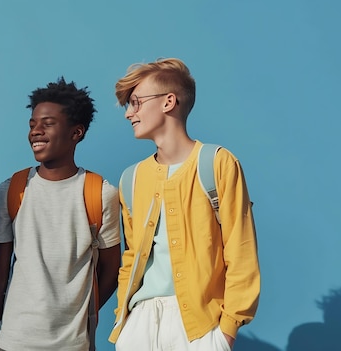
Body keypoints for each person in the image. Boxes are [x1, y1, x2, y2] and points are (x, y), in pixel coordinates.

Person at [109, 58, 260, 351]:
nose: (129, 113)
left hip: (200, 326)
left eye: (136, 102)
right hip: (139, 322)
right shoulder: (131, 179)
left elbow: (241, 250)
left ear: (168, 102)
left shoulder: (216, 163)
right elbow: (131, 257)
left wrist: (226, 331)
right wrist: (123, 321)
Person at [0, 78, 121, 351]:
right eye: (32, 124)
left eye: (47, 123)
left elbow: (112, 269)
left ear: (76, 132)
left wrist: (81, 313)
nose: (36, 131)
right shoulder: (12, 189)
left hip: (73, 344)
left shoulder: (100, 193)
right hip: (12, 342)